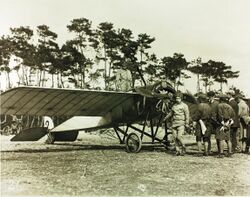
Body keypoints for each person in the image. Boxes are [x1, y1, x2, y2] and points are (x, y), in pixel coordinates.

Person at [164, 91, 189, 156]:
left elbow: (187, 115)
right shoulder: (174, 106)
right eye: (176, 98)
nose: (177, 100)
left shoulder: (184, 106)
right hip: (174, 123)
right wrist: (165, 118)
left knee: (179, 137)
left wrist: (187, 123)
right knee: (175, 138)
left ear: (181, 98)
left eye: (178, 98)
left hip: (181, 123)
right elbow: (171, 113)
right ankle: (177, 151)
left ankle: (183, 146)